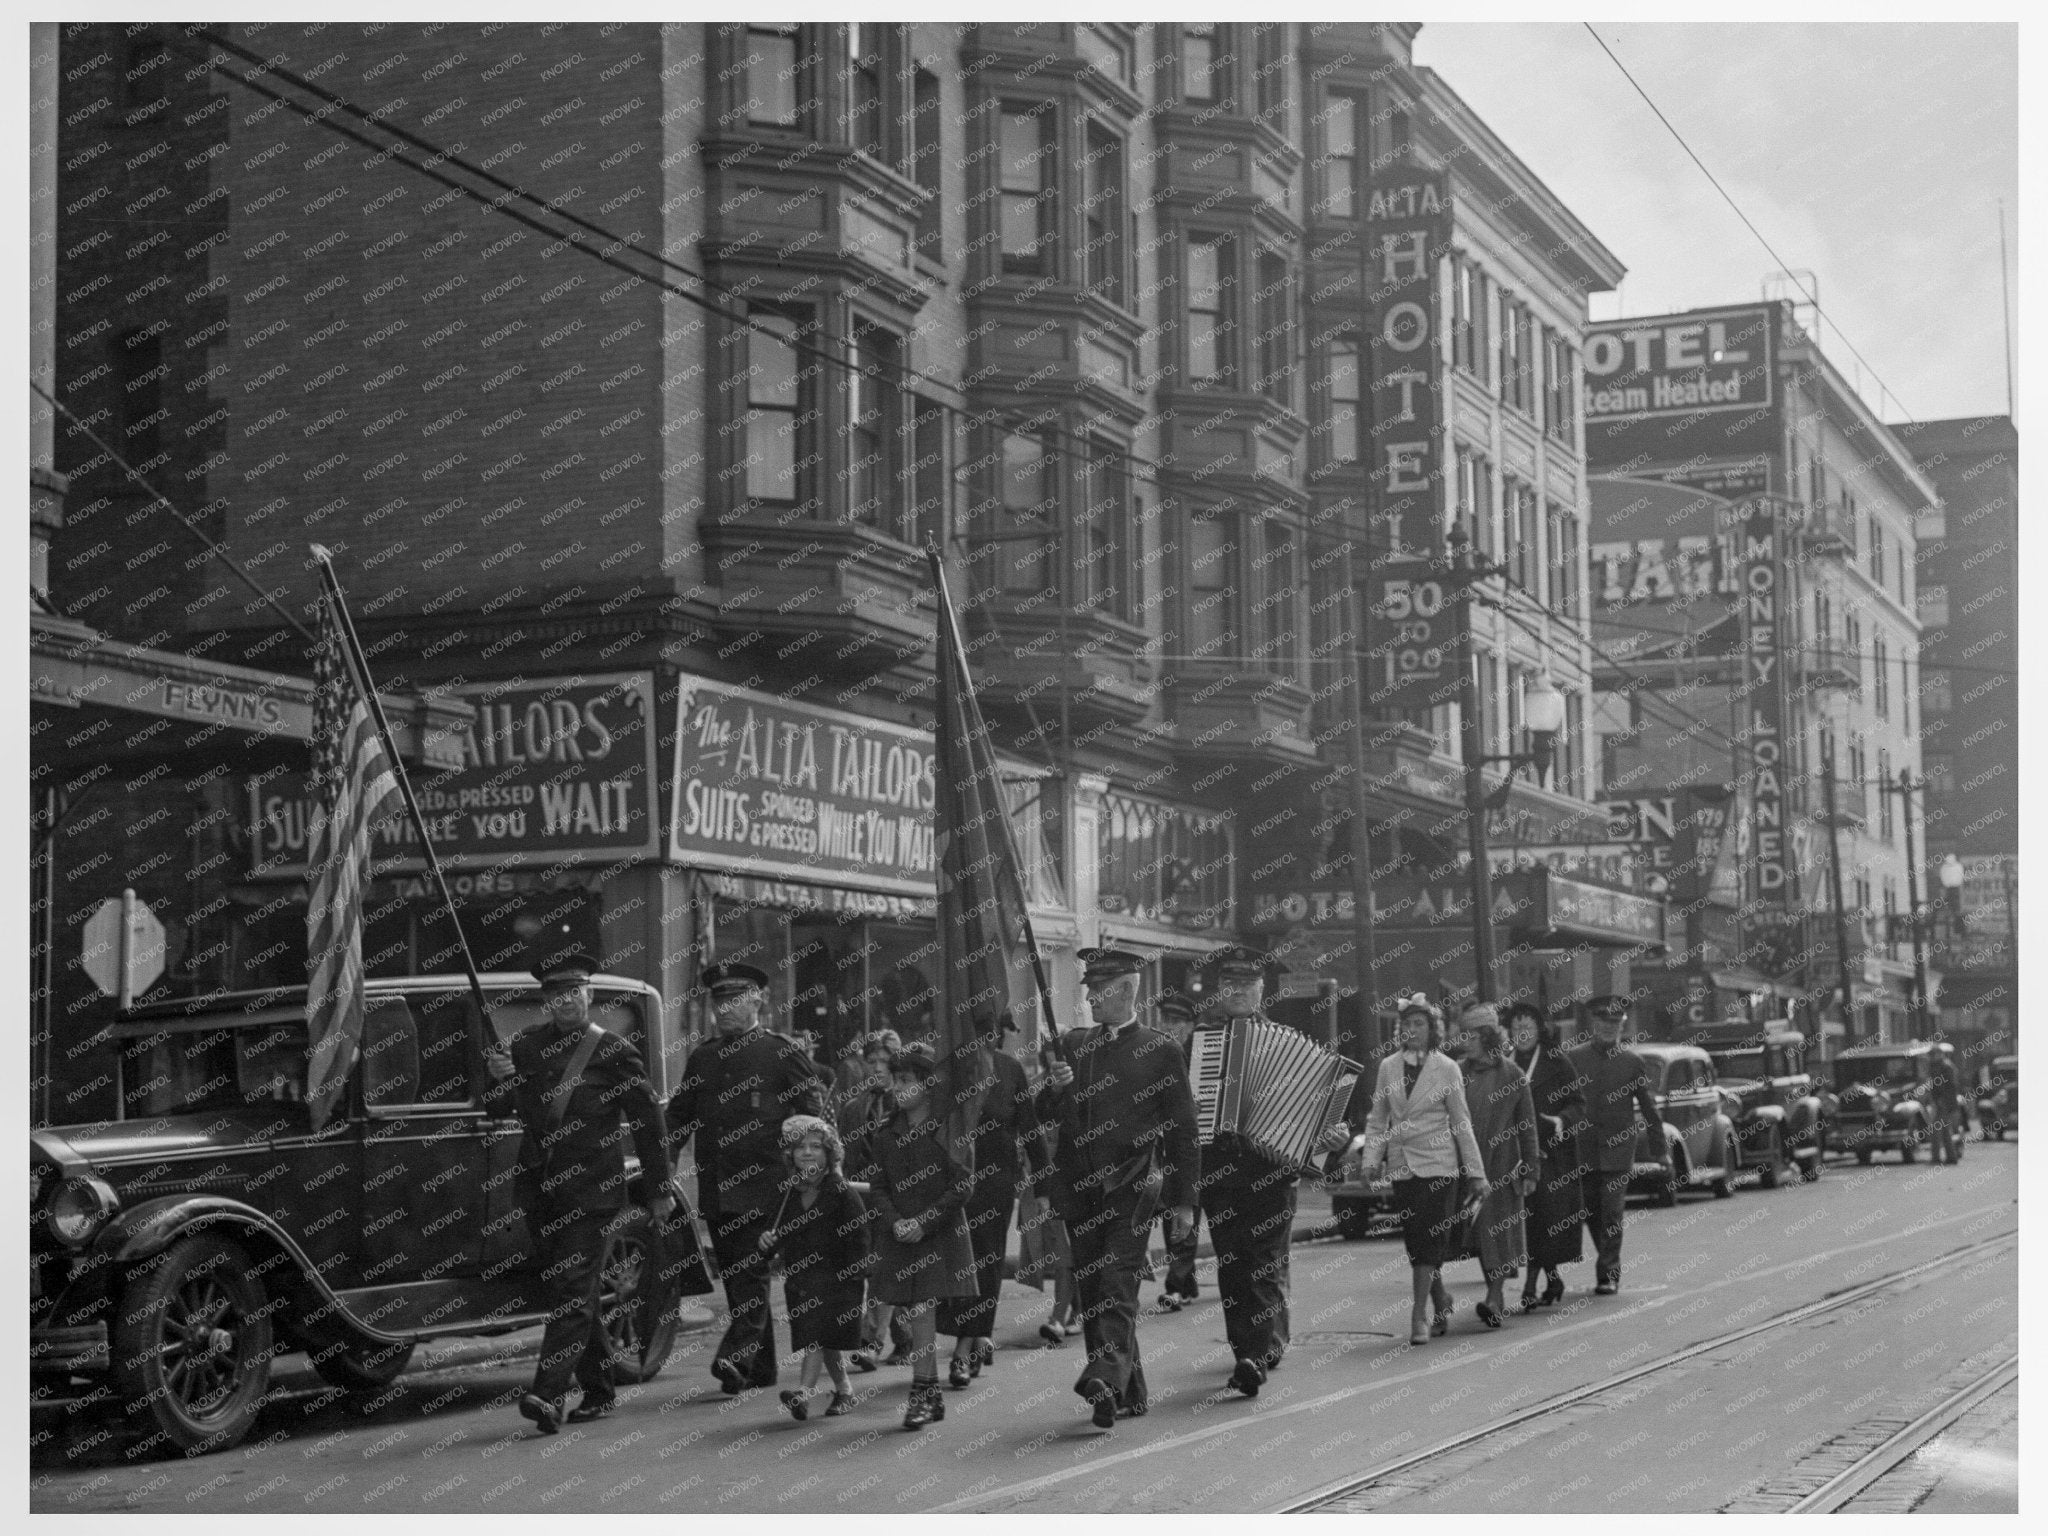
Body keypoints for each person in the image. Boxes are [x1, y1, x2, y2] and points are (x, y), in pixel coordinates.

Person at [483, 949, 678, 1435]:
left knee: (571, 1292)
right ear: (545, 1001)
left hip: (594, 1192)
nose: (566, 1001)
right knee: (573, 1291)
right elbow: (502, 1110)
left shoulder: (612, 1050)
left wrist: (659, 1188)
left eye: (575, 992)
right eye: (556, 995)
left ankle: (547, 1395)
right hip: (540, 1192)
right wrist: (499, 1081)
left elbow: (648, 1123)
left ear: (589, 995)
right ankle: (599, 1387)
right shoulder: (524, 1046)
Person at [1036, 948, 1201, 1429]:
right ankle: (1129, 1391)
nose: (1089, 998)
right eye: (1087, 989)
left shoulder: (1160, 1049)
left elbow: (1183, 1132)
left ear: (1127, 990)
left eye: (1099, 990)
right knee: (1094, 1288)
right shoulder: (1074, 1046)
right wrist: (1054, 1089)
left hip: (1132, 1191)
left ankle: (1104, 1380)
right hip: (1079, 1190)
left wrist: (1185, 1203)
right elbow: (1044, 1117)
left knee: (1115, 1283)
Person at [1190, 946, 1351, 1398]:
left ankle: (1253, 1355)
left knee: (1263, 1263)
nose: (1237, 991)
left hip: (1272, 1173)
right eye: (1229, 983)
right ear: (1219, 990)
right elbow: (1181, 1114)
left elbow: (1320, 1115)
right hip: (1219, 1175)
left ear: (1262, 990)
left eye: (1246, 984)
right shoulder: (1200, 1044)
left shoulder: (1288, 1041)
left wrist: (1332, 1137)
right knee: (1232, 1266)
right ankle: (1248, 1345)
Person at [666, 961, 827, 1394]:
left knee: (751, 1272)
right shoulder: (703, 1058)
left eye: (735, 1000)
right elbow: (677, 1121)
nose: (724, 1010)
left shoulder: (781, 1052)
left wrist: (811, 1173)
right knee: (739, 1276)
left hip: (767, 1189)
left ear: (758, 1000)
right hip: (718, 1189)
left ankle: (735, 1355)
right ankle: (761, 1368)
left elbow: (814, 1119)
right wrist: (663, 1169)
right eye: (719, 1002)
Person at [1355, 995, 1488, 1347]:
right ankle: (1440, 1297)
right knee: (1418, 1240)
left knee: (1430, 1238)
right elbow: (1378, 1118)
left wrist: (1475, 1171)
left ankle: (1419, 1314)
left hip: (1439, 1166)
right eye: (1406, 1025)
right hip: (1402, 1167)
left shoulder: (1447, 1068)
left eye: (1419, 1024)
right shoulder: (1388, 1067)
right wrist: (1371, 1161)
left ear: (1433, 1029)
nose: (1411, 1031)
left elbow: (1461, 1122)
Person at [866, 1041, 978, 1430]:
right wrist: (896, 1221)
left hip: (938, 1233)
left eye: (907, 1081)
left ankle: (922, 1393)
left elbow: (962, 1185)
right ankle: (928, 1394)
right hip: (900, 1235)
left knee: (922, 1312)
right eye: (896, 1081)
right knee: (915, 1314)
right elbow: (877, 1186)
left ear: (928, 1086)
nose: (898, 1088)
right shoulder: (885, 1134)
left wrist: (923, 1222)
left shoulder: (951, 1128)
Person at [939, 1011, 1036, 1388]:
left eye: (992, 1033)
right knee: (957, 1263)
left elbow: (1029, 1128)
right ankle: (976, 1335)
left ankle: (964, 1350)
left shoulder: (1011, 1071)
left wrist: (1043, 1189)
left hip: (996, 1184)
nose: (986, 1039)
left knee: (986, 1263)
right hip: (953, 1180)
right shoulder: (951, 1071)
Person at [760, 1115, 868, 1420]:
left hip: (837, 1282)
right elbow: (777, 1234)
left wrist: (855, 1276)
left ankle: (803, 1394)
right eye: (800, 1147)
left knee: (818, 1336)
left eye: (816, 1146)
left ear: (829, 1154)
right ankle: (844, 1390)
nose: (807, 1152)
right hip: (801, 1281)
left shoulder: (843, 1194)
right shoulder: (788, 1195)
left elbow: (860, 1238)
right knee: (823, 1340)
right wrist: (768, 1241)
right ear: (791, 1155)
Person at [1565, 994, 1669, 1296]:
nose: (1609, 1028)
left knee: (1612, 1212)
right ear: (1592, 1023)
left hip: (1618, 1152)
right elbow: (1563, 1103)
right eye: (1603, 1022)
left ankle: (1608, 1272)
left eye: (1615, 1022)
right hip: (1583, 1150)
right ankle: (1606, 1260)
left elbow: (1649, 1110)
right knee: (1593, 1213)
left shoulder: (1632, 1063)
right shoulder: (1574, 1058)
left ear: (1622, 1026)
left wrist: (1660, 1151)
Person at [1458, 1014, 1541, 1328]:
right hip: (1467, 1167)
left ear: (1486, 1037)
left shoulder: (1513, 1074)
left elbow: (1527, 1126)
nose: (1463, 1041)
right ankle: (1495, 1293)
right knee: (1479, 1234)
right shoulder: (1458, 1072)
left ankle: (1494, 1295)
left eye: (1469, 1035)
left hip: (1503, 1167)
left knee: (1499, 1234)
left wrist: (1531, 1169)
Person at [836, 1031, 911, 1371]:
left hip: (898, 1199)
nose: (878, 1068)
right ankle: (905, 1337)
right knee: (874, 1272)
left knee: (885, 1270)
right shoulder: (853, 1108)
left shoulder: (909, 1104)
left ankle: (870, 1342)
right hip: (861, 1199)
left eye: (885, 1061)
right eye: (872, 1061)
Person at [1506, 1001, 1587, 1309]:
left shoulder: (1557, 1062)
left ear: (1539, 1029)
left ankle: (1530, 1284)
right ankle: (1552, 1279)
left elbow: (1579, 1105)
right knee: (1528, 1220)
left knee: (1545, 1217)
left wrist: (1559, 1121)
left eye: (1526, 1028)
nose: (1520, 1034)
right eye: (1515, 1029)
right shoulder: (1506, 1062)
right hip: (1516, 1153)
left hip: (1552, 1154)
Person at [1150, 987, 1203, 1312]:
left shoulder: (1201, 1054)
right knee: (1179, 1212)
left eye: (1177, 1021)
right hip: (1172, 1146)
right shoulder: (1157, 1052)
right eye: (1166, 1019)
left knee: (1188, 1212)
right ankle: (1179, 1283)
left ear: (1191, 1025)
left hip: (1204, 1143)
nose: (1170, 1026)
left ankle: (1184, 1280)